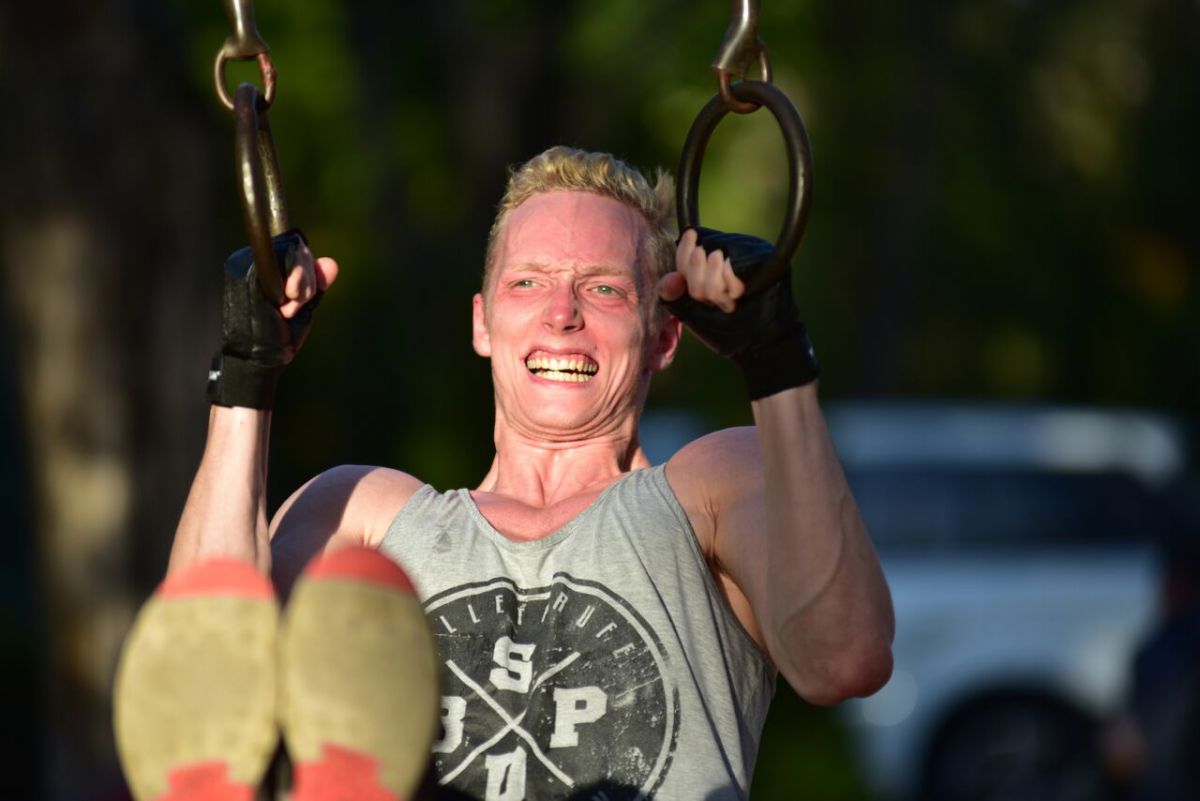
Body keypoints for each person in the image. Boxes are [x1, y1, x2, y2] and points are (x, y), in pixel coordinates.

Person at [115, 146, 894, 801]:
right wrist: (247, 376)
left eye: (603, 288)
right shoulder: (365, 514)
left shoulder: (710, 487)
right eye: (528, 282)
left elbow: (843, 658)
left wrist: (775, 359)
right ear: (482, 322)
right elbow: (196, 681)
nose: (562, 313)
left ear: (663, 338)